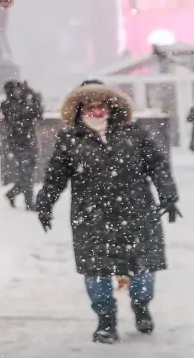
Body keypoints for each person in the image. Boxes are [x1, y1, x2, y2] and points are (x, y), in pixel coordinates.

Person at [35, 80, 180, 344]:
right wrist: (45, 203)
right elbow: (55, 176)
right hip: (91, 217)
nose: (96, 111)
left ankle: (141, 305)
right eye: (89, 106)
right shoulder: (70, 140)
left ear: (111, 107)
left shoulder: (134, 134)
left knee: (143, 272)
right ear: (79, 109)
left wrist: (168, 194)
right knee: (96, 272)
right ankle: (105, 319)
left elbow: (157, 165)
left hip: (136, 212)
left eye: (101, 106)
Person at [0, 80, 41, 210]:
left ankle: (12, 193)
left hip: (29, 141)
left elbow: (38, 114)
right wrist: (28, 99)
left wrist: (33, 96)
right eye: (16, 90)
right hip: (17, 143)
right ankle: (29, 203)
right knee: (26, 173)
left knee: (28, 173)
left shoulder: (24, 102)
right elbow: (22, 115)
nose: (18, 92)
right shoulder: (7, 104)